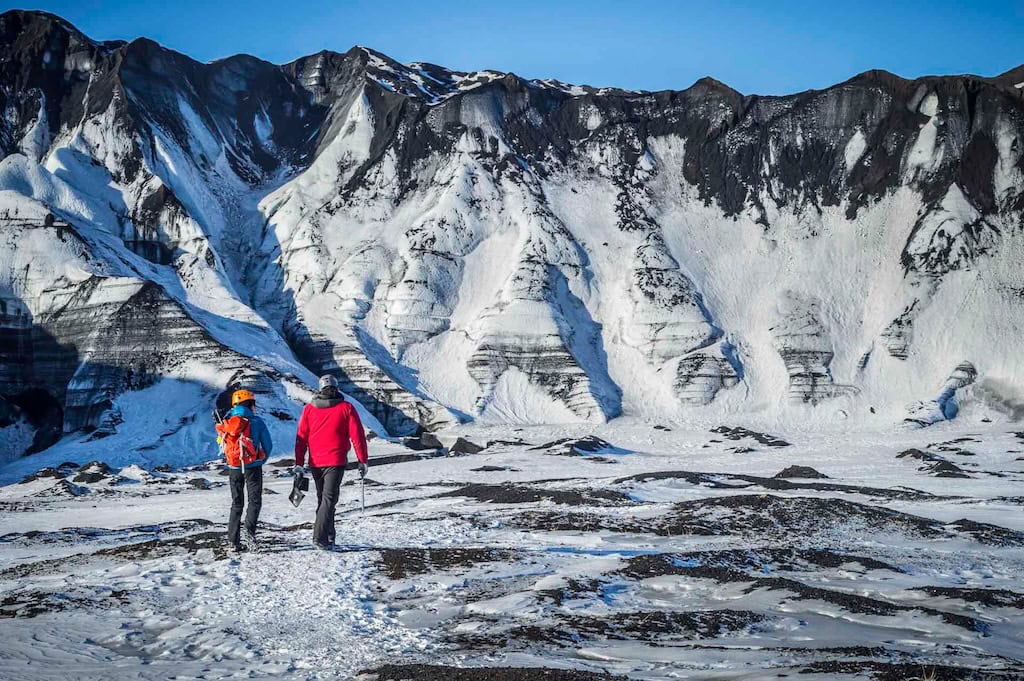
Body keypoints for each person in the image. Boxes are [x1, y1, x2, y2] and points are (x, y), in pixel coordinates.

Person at [293, 375, 369, 549]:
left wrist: (299, 462)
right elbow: (357, 436)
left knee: (324, 499)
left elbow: (301, 438)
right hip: (335, 461)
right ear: (337, 388)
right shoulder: (346, 408)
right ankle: (319, 538)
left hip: (315, 462)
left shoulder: (309, 409)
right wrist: (362, 460)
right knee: (329, 499)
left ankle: (328, 535)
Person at [215, 388, 273, 552]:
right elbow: (268, 445)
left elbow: (221, 444)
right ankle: (249, 534)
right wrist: (261, 460)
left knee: (237, 503)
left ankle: (233, 541)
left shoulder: (227, 422)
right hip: (253, 467)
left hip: (234, 468)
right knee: (254, 501)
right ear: (250, 404)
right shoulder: (257, 422)